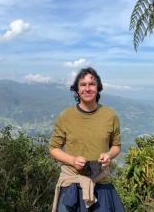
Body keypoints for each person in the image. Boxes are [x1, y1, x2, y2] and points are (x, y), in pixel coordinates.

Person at [49, 67, 125, 212]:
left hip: (101, 183)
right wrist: (73, 160)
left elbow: (116, 145)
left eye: (92, 84)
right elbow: (53, 148)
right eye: (83, 85)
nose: (87, 88)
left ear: (98, 88)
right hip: (72, 184)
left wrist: (108, 155)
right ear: (77, 90)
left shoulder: (110, 115)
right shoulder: (66, 116)